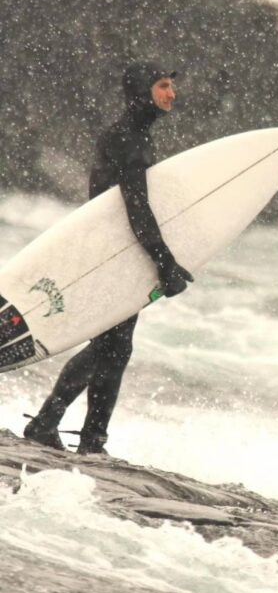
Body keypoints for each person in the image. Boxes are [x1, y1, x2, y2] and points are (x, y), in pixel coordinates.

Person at [24, 62, 193, 456]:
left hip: (115, 249)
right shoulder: (128, 139)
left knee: (115, 345)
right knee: (109, 346)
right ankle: (55, 425)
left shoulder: (132, 135)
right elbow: (136, 208)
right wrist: (164, 262)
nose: (171, 94)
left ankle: (88, 437)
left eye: (171, 86)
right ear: (141, 90)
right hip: (111, 252)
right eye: (163, 86)